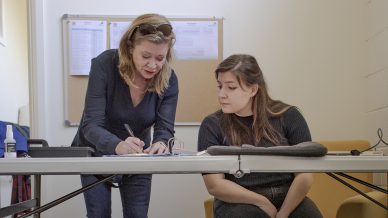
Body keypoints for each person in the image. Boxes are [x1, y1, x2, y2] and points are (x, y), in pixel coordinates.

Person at [71, 13, 178, 218]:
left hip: (138, 157)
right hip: (95, 154)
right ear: (130, 47)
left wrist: (161, 143)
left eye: (160, 58)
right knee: (98, 214)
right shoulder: (104, 65)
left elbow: (164, 128)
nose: (153, 65)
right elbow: (91, 125)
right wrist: (118, 145)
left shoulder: (169, 80)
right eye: (145, 56)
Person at [197, 54, 322, 218]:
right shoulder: (211, 124)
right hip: (240, 200)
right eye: (220, 86)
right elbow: (214, 185)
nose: (221, 94)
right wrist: (262, 202)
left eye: (231, 87)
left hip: (289, 197)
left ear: (253, 89)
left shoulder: (289, 116)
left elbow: (305, 175)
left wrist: (283, 213)